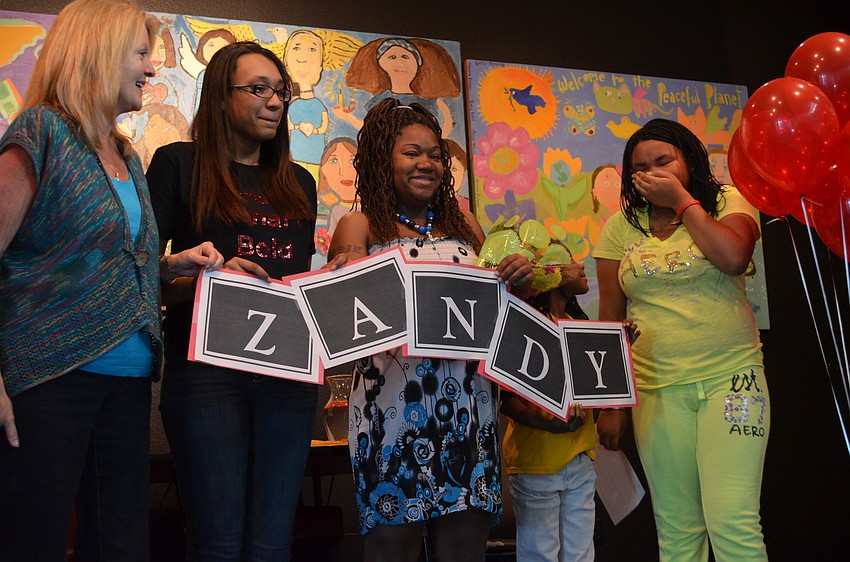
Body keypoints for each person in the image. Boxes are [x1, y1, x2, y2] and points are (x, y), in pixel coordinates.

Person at [0, 1, 224, 560]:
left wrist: (172, 264)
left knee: (121, 546)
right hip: (49, 378)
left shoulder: (125, 153)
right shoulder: (42, 130)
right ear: (99, 52)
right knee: (34, 541)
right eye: (141, 53)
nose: (152, 67)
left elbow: (105, 261)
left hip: (127, 384)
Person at [326, 98, 534, 562]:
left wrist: (517, 277)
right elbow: (344, 307)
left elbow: (500, 313)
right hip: (391, 416)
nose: (427, 163)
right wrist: (345, 270)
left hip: (469, 411)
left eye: (435, 155)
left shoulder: (467, 225)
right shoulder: (360, 224)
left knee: (464, 549)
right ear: (383, 161)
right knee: (391, 549)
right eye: (411, 152)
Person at [146, 41, 318, 561]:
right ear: (221, 97)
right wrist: (207, 279)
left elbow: (298, 283)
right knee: (216, 544)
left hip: (288, 375)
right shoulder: (178, 164)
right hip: (206, 375)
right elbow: (142, 276)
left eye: (281, 91)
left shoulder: (299, 182)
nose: (275, 101)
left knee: (273, 545)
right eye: (258, 89)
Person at [593, 118, 769, 562]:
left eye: (663, 160)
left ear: (688, 160)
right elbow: (611, 318)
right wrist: (611, 405)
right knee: (677, 529)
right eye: (640, 167)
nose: (652, 172)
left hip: (733, 379)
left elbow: (734, 257)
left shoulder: (728, 201)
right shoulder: (620, 227)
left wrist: (683, 202)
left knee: (733, 521)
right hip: (657, 389)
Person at [500, 247, 598, 562]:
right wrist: (548, 424)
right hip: (537, 462)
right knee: (540, 554)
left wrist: (617, 353)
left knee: (580, 555)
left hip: (580, 459)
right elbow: (506, 399)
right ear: (549, 272)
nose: (580, 265)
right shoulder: (525, 325)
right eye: (569, 260)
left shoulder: (577, 325)